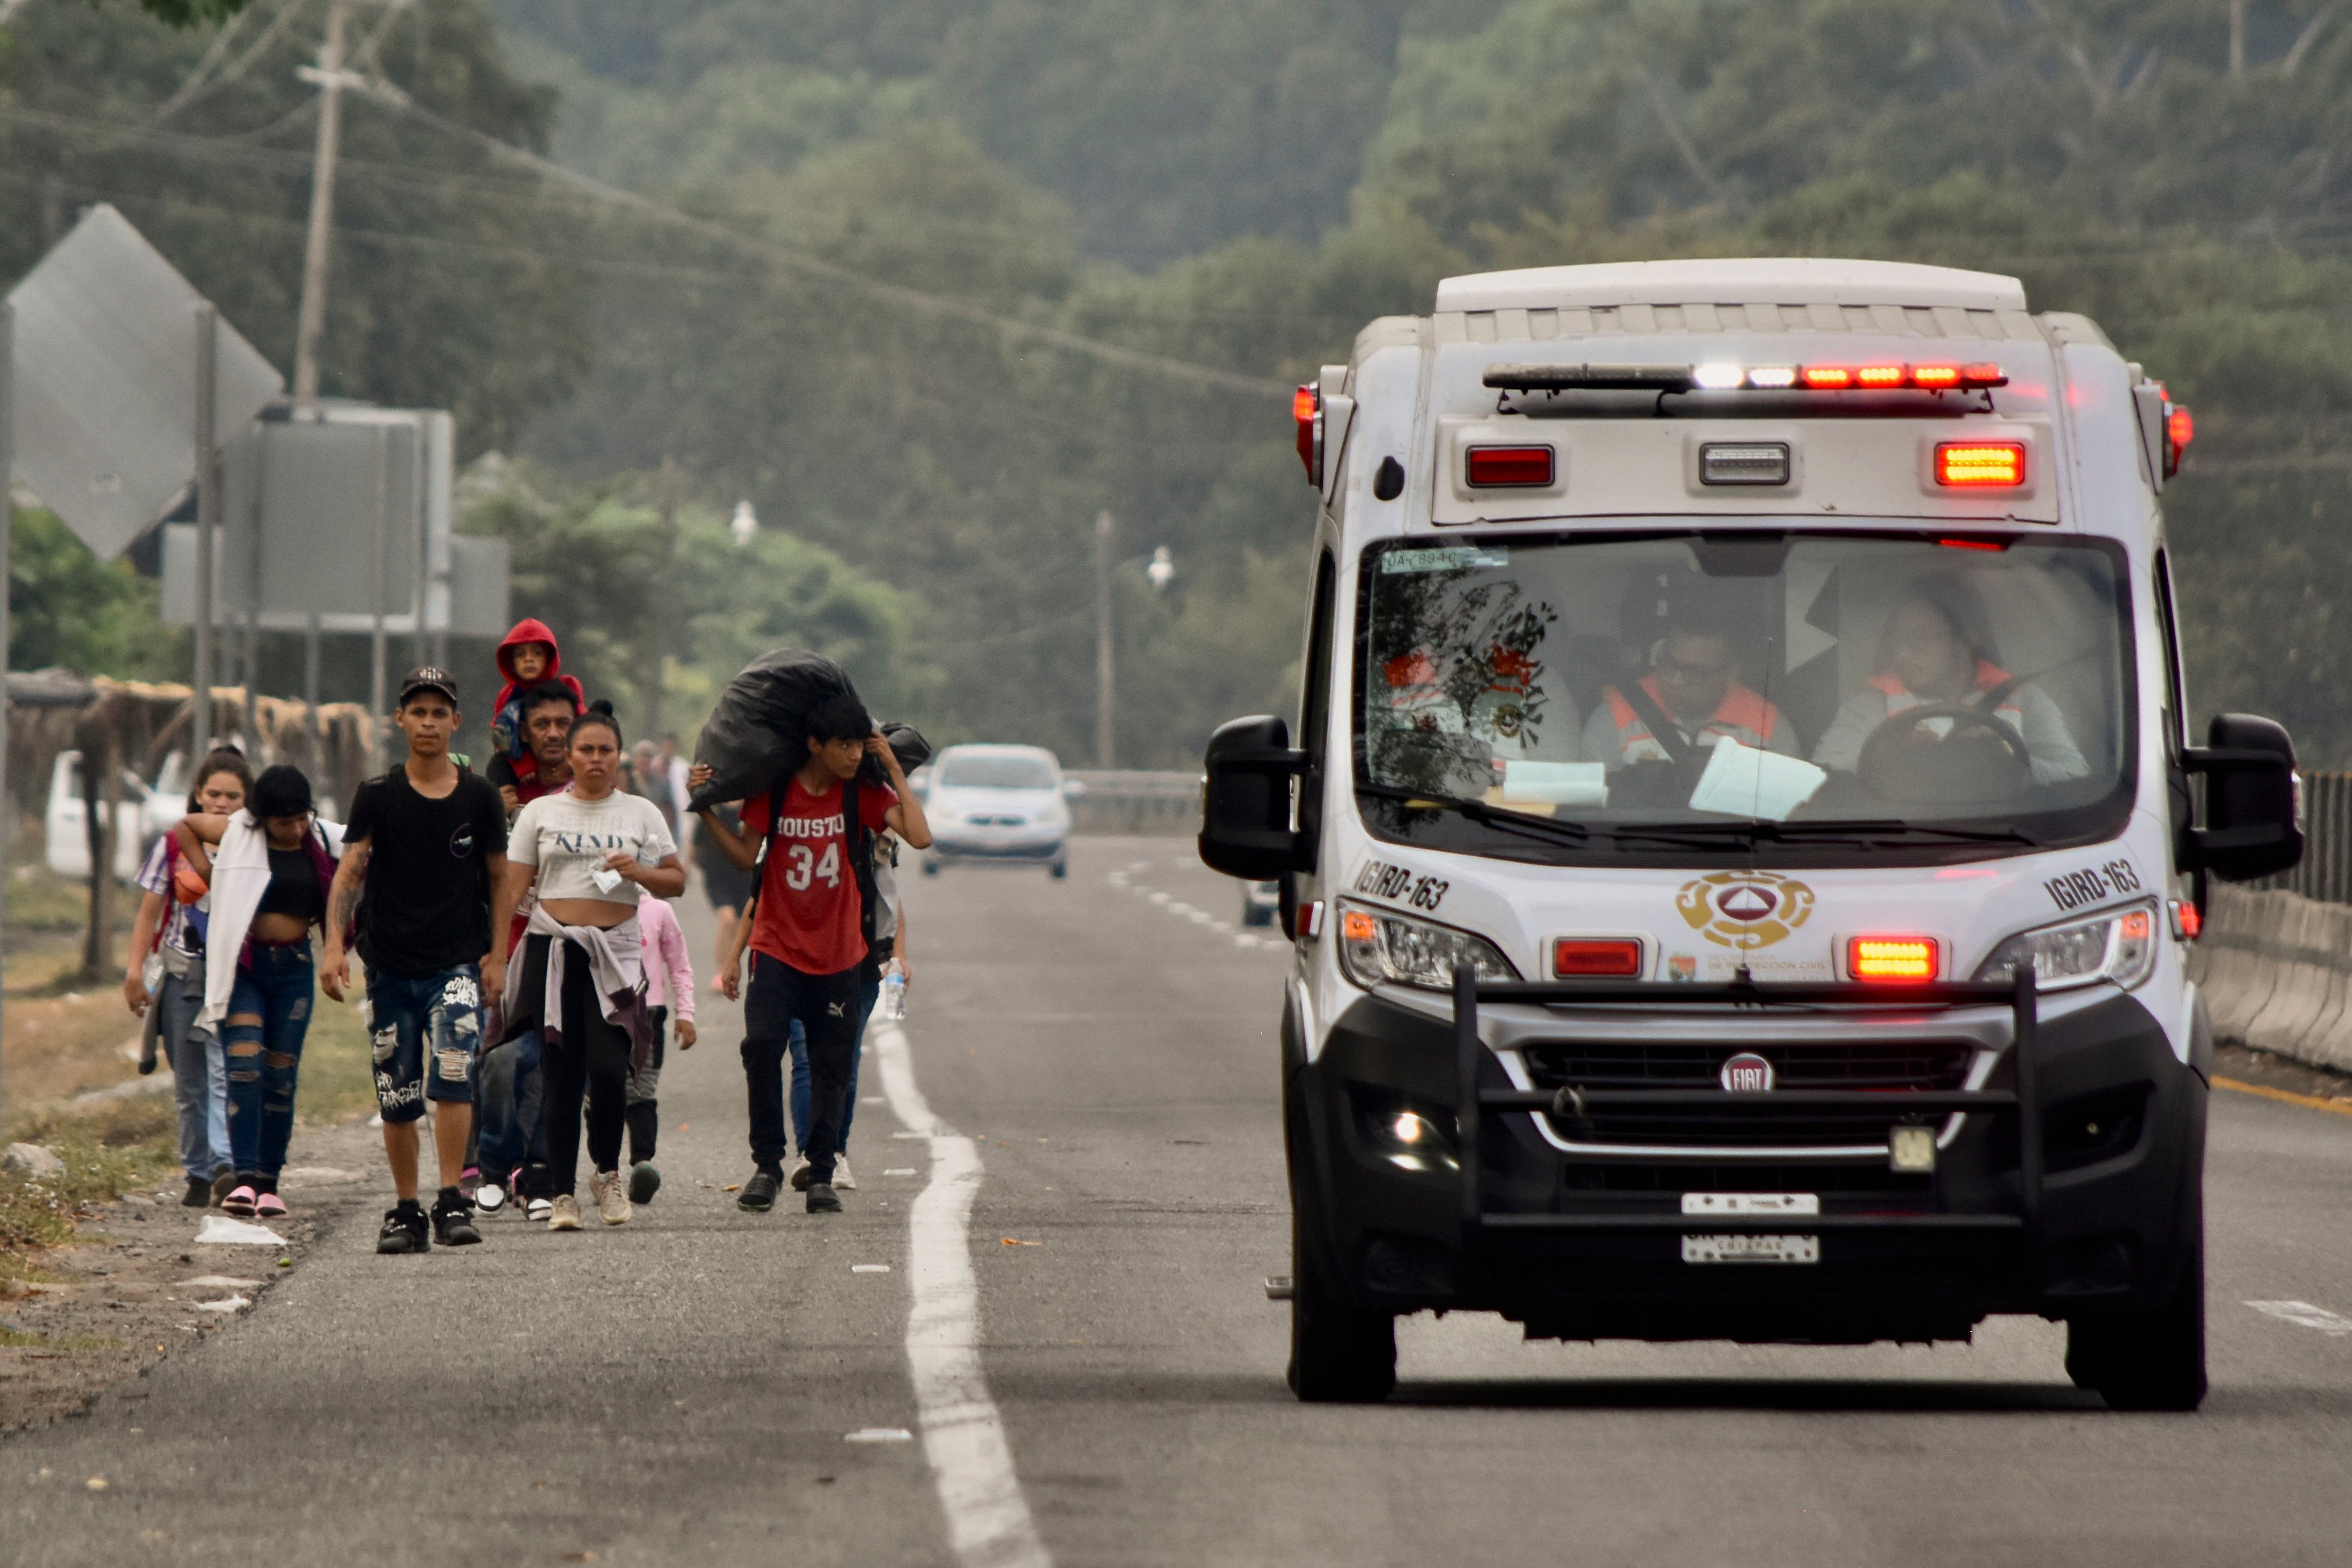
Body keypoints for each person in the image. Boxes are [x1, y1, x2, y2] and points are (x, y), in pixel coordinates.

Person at [702, 695, 930, 1216]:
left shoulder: (864, 794)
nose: (853, 755)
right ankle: (766, 1166)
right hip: (777, 948)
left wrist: (890, 764)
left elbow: (919, 835)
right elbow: (745, 860)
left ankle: (823, 1171)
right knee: (761, 1047)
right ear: (814, 744)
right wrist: (705, 813)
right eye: (843, 745)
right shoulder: (776, 793)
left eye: (859, 745)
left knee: (830, 1066)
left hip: (840, 954)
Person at [322, 669, 511, 1254]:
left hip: (455, 961)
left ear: (456, 722)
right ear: (399, 721)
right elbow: (349, 870)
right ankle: (406, 1209)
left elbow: (502, 878)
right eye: (417, 711)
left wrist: (498, 956)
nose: (428, 722)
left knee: (454, 1070)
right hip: (389, 965)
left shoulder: (478, 796)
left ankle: (451, 1197)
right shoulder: (377, 795)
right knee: (397, 1091)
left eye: (439, 712)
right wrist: (333, 945)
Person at [490, 702, 685, 1232]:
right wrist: (495, 956)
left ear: (619, 757)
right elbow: (511, 887)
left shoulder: (641, 812)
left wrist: (639, 869)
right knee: (561, 1075)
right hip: (552, 953)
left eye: (605, 750)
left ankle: (605, 1172)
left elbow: (676, 880)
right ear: (569, 757)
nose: (596, 759)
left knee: (608, 1072)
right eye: (586, 750)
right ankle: (561, 1194)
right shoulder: (541, 813)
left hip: (618, 958)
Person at [178, 765, 343, 1220]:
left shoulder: (324, 839)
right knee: (244, 1068)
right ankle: (244, 1178)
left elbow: (366, 853)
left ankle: (270, 1181)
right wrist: (213, 876)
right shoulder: (238, 833)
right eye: (283, 822)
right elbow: (186, 826)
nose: (293, 829)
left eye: (300, 819)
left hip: (294, 972)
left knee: (280, 1075)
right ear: (262, 818)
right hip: (246, 970)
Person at [471, 680, 582, 1218]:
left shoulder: (593, 795)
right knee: (498, 1063)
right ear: (524, 731)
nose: (555, 734)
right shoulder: (501, 796)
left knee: (552, 1064)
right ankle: (493, 1161)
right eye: (542, 724)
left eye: (564, 723)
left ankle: (539, 1174)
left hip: (568, 952)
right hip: (507, 948)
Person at [123, 749, 251, 1208]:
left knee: (225, 1071)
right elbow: (149, 912)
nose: (221, 803)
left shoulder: (254, 848)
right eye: (213, 793)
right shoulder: (173, 845)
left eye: (232, 796)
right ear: (198, 795)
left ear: (246, 801)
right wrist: (135, 971)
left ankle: (224, 1164)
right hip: (182, 973)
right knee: (188, 1080)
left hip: (235, 976)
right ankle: (198, 1171)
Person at [1812, 582, 2090, 785]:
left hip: (2009, 842)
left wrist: (2009, 764)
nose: (1902, 654)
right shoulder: (1871, 703)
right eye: (1896, 641)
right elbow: (1825, 777)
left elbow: (2074, 775)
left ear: (1966, 640)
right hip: (1902, 839)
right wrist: (1893, 759)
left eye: (1920, 639)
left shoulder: (2024, 698)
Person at [782, 831, 907, 1192]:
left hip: (859, 960)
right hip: (796, 954)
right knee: (805, 1056)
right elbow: (763, 894)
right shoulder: (793, 819)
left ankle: (835, 1152)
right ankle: (809, 1153)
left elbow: (891, 896)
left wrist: (900, 953)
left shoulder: (875, 827)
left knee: (844, 1059)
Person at [1582, 615, 1799, 770]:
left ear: (1731, 674)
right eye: (1669, 664)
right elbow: (1593, 809)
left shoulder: (1767, 728)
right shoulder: (1615, 715)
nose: (1676, 681)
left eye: (1694, 672)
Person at [629, 885, 697, 1204]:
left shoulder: (657, 911)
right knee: (602, 1094)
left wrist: (686, 1013)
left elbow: (678, 965)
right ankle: (605, 1169)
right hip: (600, 1014)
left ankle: (642, 1164)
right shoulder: (592, 908)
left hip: (649, 1015)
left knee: (643, 1092)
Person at [486, 619, 584, 811]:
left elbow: (587, 727)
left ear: (549, 658)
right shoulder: (508, 697)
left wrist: (570, 762)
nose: (529, 660)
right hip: (517, 757)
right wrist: (524, 766)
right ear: (511, 663)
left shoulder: (569, 688)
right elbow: (501, 735)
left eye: (537, 654)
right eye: (521, 655)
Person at [695, 800, 756, 962]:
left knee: (738, 924)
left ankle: (731, 965)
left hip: (744, 878)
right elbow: (696, 842)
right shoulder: (714, 809)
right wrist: (686, 866)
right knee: (727, 918)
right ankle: (720, 971)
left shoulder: (752, 809)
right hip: (717, 875)